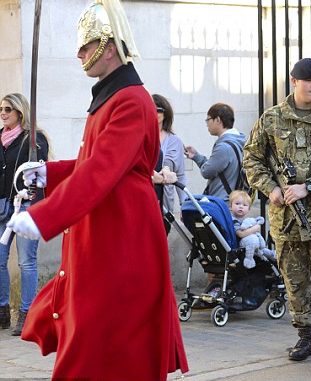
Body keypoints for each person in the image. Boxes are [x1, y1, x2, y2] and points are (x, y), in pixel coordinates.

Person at [6, 1, 188, 378]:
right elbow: (93, 162)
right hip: (105, 226)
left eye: (87, 47)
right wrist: (48, 173)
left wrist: (44, 217)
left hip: (123, 232)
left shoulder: (131, 101)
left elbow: (103, 172)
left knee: (106, 335)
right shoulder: (113, 97)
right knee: (91, 330)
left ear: (108, 48)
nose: (80, 54)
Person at [243, 58, 311, 364]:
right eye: (308, 80)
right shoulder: (272, 118)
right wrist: (271, 189)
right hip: (287, 217)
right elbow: (252, 159)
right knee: (295, 278)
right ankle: (304, 336)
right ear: (294, 82)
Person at [0, 93, 49, 336]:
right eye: (1, 109)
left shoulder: (34, 139)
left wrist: (32, 191)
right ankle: (2, 311)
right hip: (2, 207)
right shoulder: (0, 138)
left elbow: (40, 171)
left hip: (26, 206)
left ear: (20, 112)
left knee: (26, 261)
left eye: (8, 109)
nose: (3, 113)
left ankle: (27, 314)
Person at [185, 103, 246, 202]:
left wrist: (198, 158)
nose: (206, 124)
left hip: (222, 202)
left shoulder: (224, 147)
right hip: (234, 200)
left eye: (208, 119)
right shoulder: (239, 140)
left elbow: (207, 171)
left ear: (218, 120)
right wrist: (195, 156)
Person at [153, 94, 186, 212]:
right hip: (145, 197)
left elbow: (180, 174)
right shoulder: (140, 138)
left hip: (166, 200)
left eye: (158, 110)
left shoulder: (175, 141)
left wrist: (184, 204)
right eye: (150, 108)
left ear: (165, 113)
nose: (154, 112)